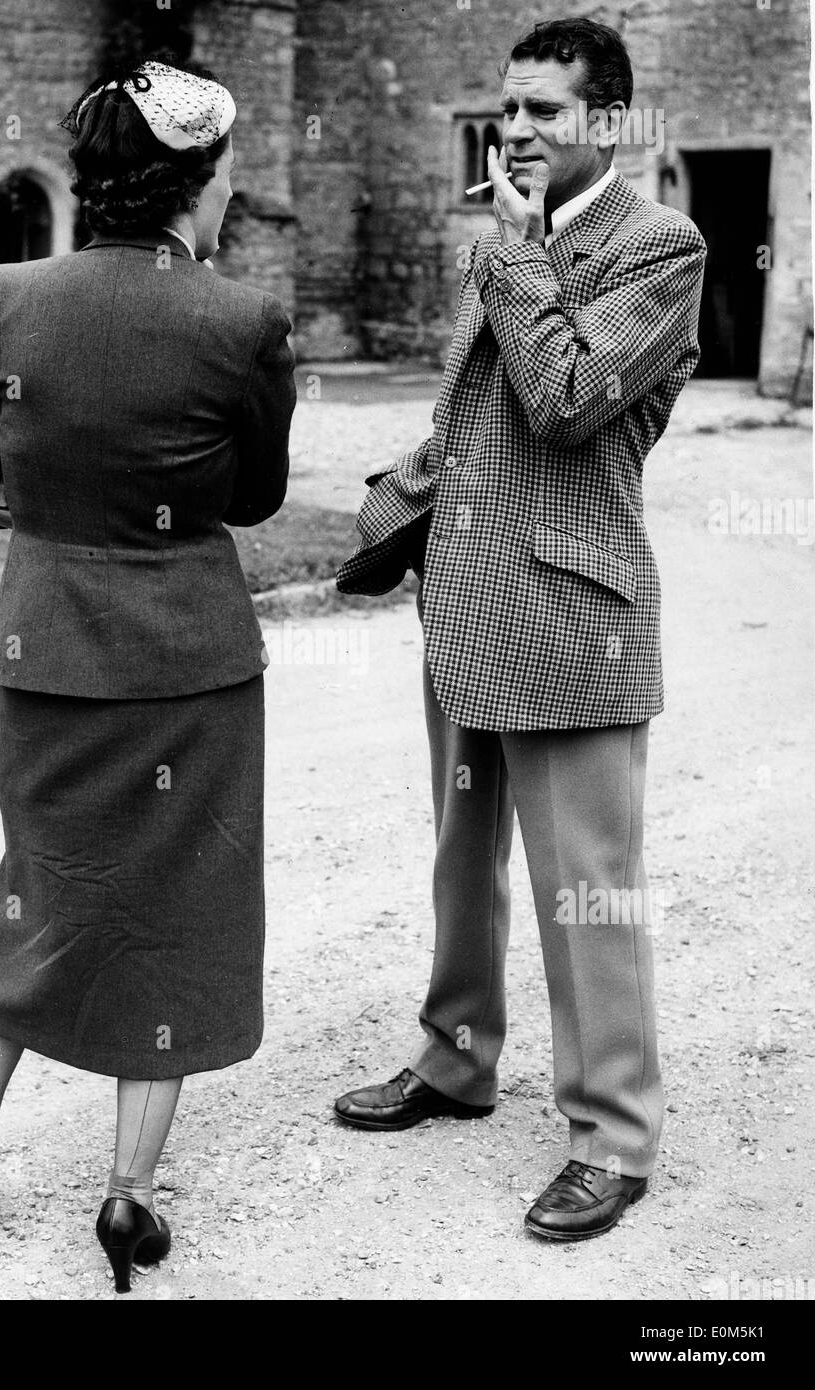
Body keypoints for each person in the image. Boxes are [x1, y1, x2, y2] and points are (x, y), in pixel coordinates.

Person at [0, 56, 296, 1292]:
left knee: (35, 883)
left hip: (47, 652)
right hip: (185, 659)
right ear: (199, 180)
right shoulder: (242, 321)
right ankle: (129, 1198)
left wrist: (44, 523)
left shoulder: (12, 295)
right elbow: (252, 495)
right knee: (175, 911)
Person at [334, 17, 706, 1241]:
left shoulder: (661, 246)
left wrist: (513, 249)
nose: (521, 131)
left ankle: (612, 1133)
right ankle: (454, 1060)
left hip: (576, 616)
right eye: (511, 109)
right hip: (465, 599)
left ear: (608, 121)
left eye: (547, 111)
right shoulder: (516, 242)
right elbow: (473, 415)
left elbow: (563, 401)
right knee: (459, 866)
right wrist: (392, 505)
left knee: (585, 888)